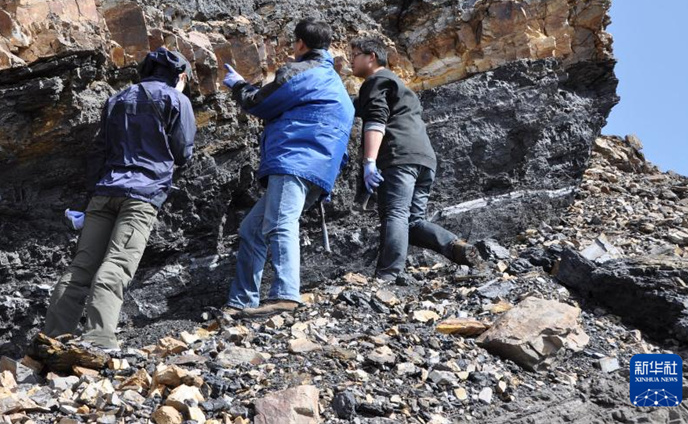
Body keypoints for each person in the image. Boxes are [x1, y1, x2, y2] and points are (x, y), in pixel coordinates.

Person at [42, 47, 196, 349]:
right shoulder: (177, 99)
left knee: (81, 266)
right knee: (116, 265)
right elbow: (183, 153)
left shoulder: (118, 98)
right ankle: (99, 338)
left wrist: (93, 192)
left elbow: (98, 151)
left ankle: (53, 337)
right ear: (179, 75)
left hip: (103, 192)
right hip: (142, 195)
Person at [221, 19, 355, 317]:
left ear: (300, 44)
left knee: (281, 223)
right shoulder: (331, 78)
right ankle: (241, 301)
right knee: (252, 229)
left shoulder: (301, 72)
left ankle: (285, 294)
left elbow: (259, 103)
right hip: (319, 168)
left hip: (296, 158)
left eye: (293, 44)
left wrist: (239, 85)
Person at [350, 37, 481, 284]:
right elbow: (359, 107)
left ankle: (388, 275)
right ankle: (456, 247)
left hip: (399, 156)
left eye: (355, 54)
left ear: (371, 57)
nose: (350, 60)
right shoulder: (400, 87)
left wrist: (369, 161)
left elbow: (376, 120)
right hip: (425, 159)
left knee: (395, 213)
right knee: (413, 221)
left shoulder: (376, 80)